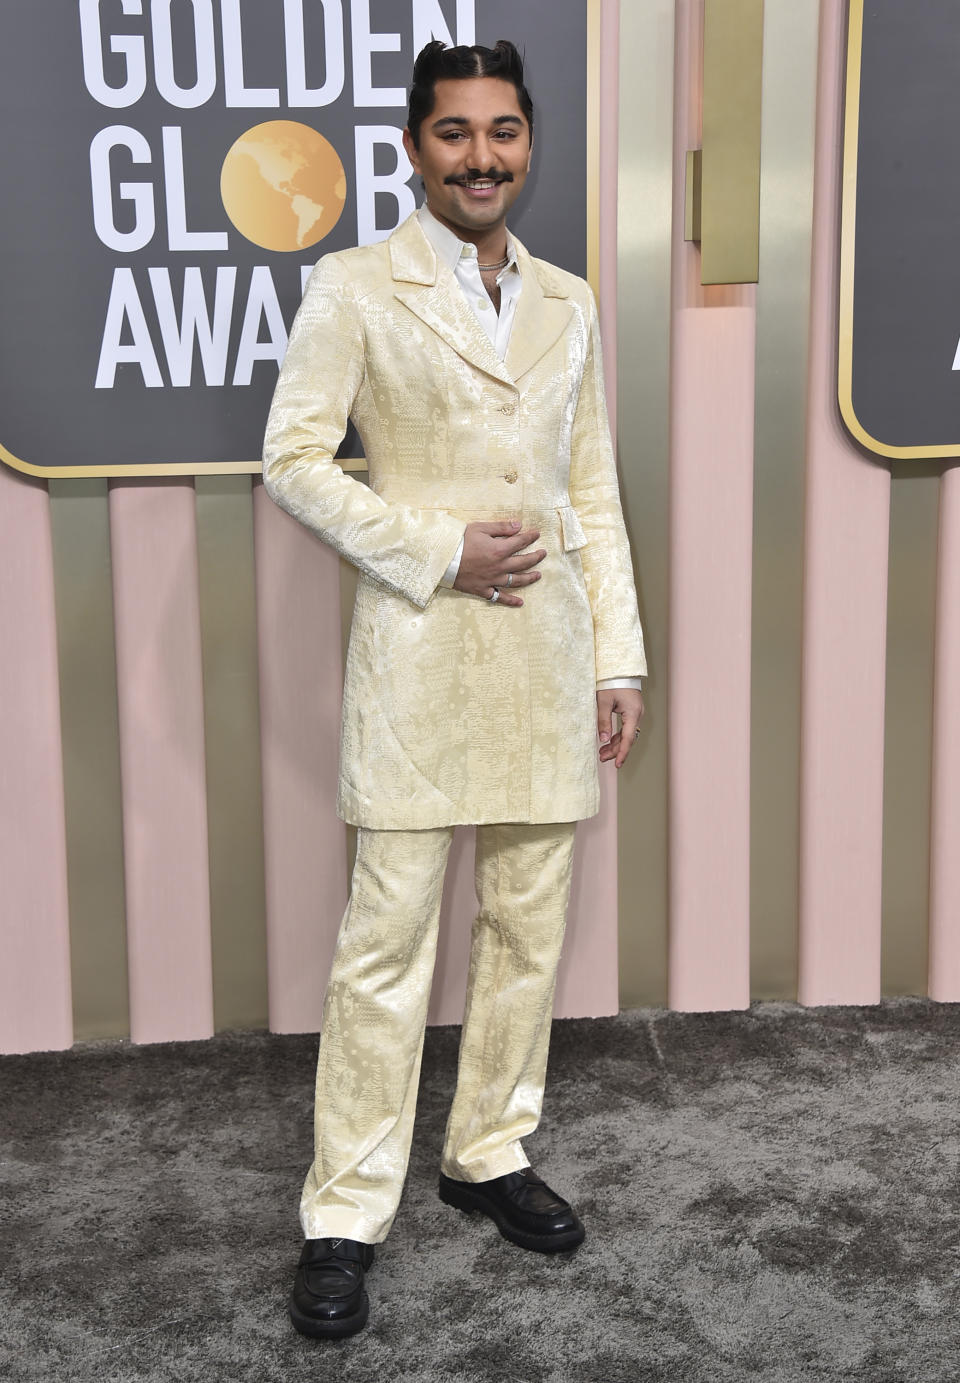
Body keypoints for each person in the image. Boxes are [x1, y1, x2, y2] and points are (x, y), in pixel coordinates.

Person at [261, 38, 646, 1340]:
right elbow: (296, 462)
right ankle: (344, 1213)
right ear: (415, 148)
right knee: (386, 950)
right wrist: (433, 548)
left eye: (503, 132)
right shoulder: (356, 288)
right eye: (454, 134)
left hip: (546, 653)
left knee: (528, 929)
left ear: (528, 142)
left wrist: (619, 656)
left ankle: (488, 1149)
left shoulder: (573, 302)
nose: (482, 156)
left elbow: (588, 489)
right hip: (421, 653)